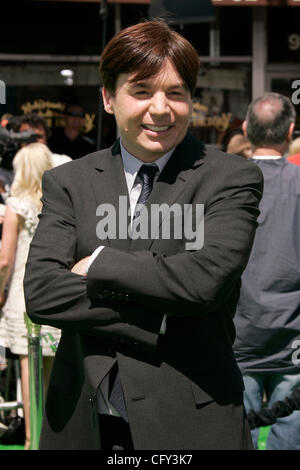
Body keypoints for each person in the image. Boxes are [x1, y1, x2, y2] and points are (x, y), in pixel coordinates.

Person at [24, 19, 263, 450]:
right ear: (108, 99)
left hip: (191, 419)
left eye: (175, 92)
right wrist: (161, 313)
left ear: (191, 98)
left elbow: (203, 282)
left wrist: (97, 265)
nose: (160, 107)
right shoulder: (68, 182)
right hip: (84, 418)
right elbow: (42, 292)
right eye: (141, 91)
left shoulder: (231, 177)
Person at [234, 92, 300, 450]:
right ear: (290, 130)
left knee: (232, 434)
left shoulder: (225, 185)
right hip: (293, 339)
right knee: (289, 436)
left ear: (245, 129)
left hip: (237, 333)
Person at [0, 143, 61, 449]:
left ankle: (32, 439)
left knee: (29, 369)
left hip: (24, 295)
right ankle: (53, 437)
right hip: (56, 292)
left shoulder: (16, 205)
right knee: (53, 370)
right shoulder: (59, 203)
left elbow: (4, 260)